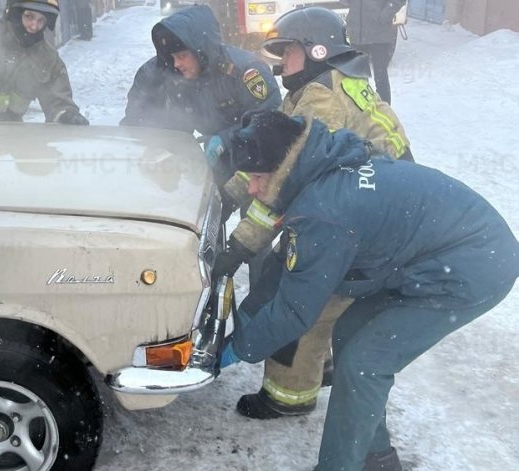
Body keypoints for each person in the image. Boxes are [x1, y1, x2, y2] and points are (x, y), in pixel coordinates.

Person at [221, 110, 517, 471]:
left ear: (282, 167)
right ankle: (375, 456)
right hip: (445, 248)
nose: (251, 189)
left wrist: (235, 348)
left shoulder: (323, 212)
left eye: (256, 177)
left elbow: (295, 311)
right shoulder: (321, 164)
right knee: (350, 330)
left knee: (366, 363)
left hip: (471, 266)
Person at [217, 6, 413, 420]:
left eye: (287, 52)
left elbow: (285, 182)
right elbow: (270, 152)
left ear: (316, 50)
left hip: (369, 218)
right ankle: (319, 364)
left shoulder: (322, 97)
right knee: (322, 290)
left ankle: (288, 396)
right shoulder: (318, 86)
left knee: (301, 289)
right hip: (375, 204)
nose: (281, 63)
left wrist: (238, 247)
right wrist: (229, 191)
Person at [120, 4, 280, 183]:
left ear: (201, 51)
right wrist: (164, 146)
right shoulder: (166, 72)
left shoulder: (245, 71)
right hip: (206, 161)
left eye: (181, 56)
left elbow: (269, 120)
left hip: (251, 158)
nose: (176, 64)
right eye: (172, 58)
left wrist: (226, 140)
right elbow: (139, 119)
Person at [339, 0, 407, 104]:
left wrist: (383, 17)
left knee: (380, 77)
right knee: (358, 78)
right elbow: (345, 0)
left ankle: (386, 112)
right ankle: (362, 113)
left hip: (380, 33)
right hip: (357, 32)